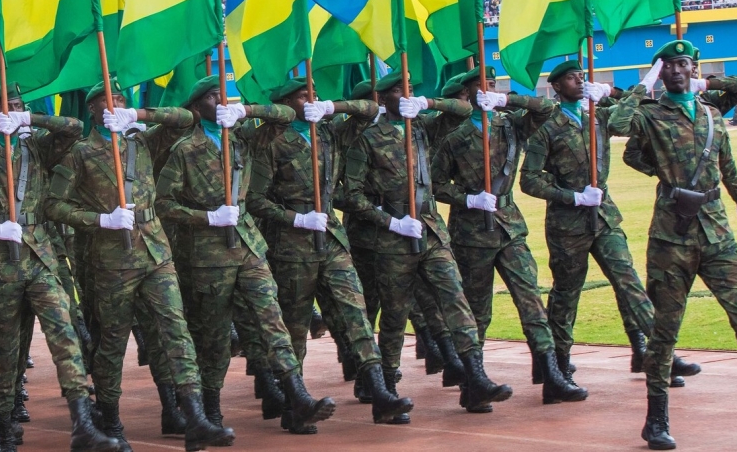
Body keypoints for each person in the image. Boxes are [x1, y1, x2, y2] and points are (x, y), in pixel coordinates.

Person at [45, 78, 234, 451]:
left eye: (120, 98)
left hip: (156, 253)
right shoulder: (80, 153)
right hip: (112, 260)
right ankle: (111, 420)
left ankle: (195, 416)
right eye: (106, 100)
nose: (114, 104)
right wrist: (99, 220)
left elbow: (184, 118)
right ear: (92, 110)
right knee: (113, 342)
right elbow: (53, 205)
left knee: (175, 330)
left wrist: (139, 114)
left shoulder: (143, 141)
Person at [0, 83, 119, 452]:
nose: (14, 111)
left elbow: (72, 127)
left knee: (64, 335)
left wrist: (30, 119)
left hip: (41, 257)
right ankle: (4, 427)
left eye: (19, 105)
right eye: (7, 107)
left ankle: (82, 423)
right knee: (6, 352)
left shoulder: (37, 144)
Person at [155, 75, 338, 435]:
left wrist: (245, 110)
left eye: (226, 96)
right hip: (207, 257)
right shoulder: (185, 150)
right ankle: (210, 412)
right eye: (212, 97)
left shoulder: (243, 139)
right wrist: (206, 217)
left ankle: (296, 395)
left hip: (249, 247)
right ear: (196, 108)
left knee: (273, 321)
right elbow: (163, 204)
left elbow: (284, 114)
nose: (222, 101)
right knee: (215, 338)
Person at [609, 40, 737, 450]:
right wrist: (641, 85)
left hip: (716, 233)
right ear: (661, 72)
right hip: (671, 236)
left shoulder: (711, 113)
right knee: (665, 332)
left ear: (692, 69)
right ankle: (656, 418)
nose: (677, 71)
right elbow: (617, 125)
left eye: (684, 64)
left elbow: (726, 163)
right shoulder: (650, 115)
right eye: (669, 65)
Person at [519, 60, 699, 388]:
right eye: (572, 78)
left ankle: (663, 354)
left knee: (628, 281)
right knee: (566, 294)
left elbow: (626, 119)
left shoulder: (597, 117)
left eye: (582, 76)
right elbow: (529, 180)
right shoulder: (546, 128)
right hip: (567, 224)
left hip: (604, 217)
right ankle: (557, 366)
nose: (580, 80)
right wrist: (572, 196)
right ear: (557, 87)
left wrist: (613, 93)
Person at [344, 71, 516, 413]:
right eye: (398, 90)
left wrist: (428, 102)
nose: (406, 94)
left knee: (456, 299)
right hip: (393, 237)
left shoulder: (422, 127)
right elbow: (351, 194)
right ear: (382, 98)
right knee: (394, 315)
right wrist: (390, 221)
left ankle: (475, 376)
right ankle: (387, 388)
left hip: (432, 231)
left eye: (410, 88)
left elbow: (464, 112)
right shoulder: (367, 139)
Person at [246, 78, 412, 426]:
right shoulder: (272, 142)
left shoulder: (327, 132)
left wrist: (330, 107)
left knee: (356, 314)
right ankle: (296, 405)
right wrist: (296, 218)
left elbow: (368, 109)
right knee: (293, 326)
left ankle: (380, 392)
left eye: (315, 93)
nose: (312, 98)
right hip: (292, 246)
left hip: (332, 238)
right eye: (304, 95)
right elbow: (256, 200)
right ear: (285, 102)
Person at [431, 67, 588, 406]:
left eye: (493, 84)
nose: (488, 88)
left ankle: (551, 377)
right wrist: (468, 198)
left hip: (509, 225)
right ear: (469, 92)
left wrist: (506, 99)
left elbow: (545, 108)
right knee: (478, 310)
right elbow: (437, 184)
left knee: (530, 300)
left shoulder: (511, 124)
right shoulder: (455, 138)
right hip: (472, 232)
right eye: (481, 85)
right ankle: (473, 385)